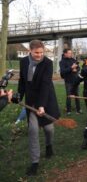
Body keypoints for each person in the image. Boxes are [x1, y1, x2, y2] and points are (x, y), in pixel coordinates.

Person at [18, 40, 60, 176]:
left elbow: (45, 84)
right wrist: (19, 96)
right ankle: (34, 163)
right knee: (33, 130)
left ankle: (49, 145)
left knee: (49, 128)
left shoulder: (47, 63)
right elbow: (22, 81)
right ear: (30, 50)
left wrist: (42, 105)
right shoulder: (24, 62)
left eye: (41, 52)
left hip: (46, 99)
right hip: (31, 102)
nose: (39, 55)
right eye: (36, 52)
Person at [59, 48, 81, 114]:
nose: (70, 54)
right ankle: (69, 110)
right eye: (69, 53)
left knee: (77, 95)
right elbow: (63, 71)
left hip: (75, 81)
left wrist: (76, 69)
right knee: (69, 96)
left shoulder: (73, 60)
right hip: (68, 81)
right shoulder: (62, 62)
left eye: (71, 53)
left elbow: (78, 67)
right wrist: (71, 68)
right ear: (65, 54)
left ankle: (78, 109)